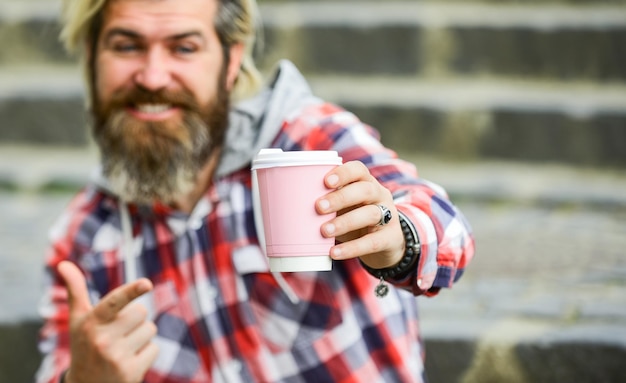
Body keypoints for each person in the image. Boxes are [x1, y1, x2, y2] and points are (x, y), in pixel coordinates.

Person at [35, 0, 475, 382]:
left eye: (184, 47)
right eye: (127, 46)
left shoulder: (309, 143)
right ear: (91, 55)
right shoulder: (82, 237)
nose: (152, 76)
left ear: (231, 60)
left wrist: (398, 235)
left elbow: (446, 228)